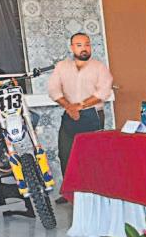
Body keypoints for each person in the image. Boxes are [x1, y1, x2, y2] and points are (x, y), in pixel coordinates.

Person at [48, 32, 113, 205]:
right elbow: (53, 90)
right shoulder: (62, 66)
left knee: (92, 156)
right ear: (72, 48)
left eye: (87, 44)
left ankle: (94, 193)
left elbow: (104, 91)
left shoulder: (99, 67)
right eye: (79, 45)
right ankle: (70, 193)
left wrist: (80, 105)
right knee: (65, 154)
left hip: (92, 115)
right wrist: (69, 106)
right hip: (69, 114)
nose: (84, 48)